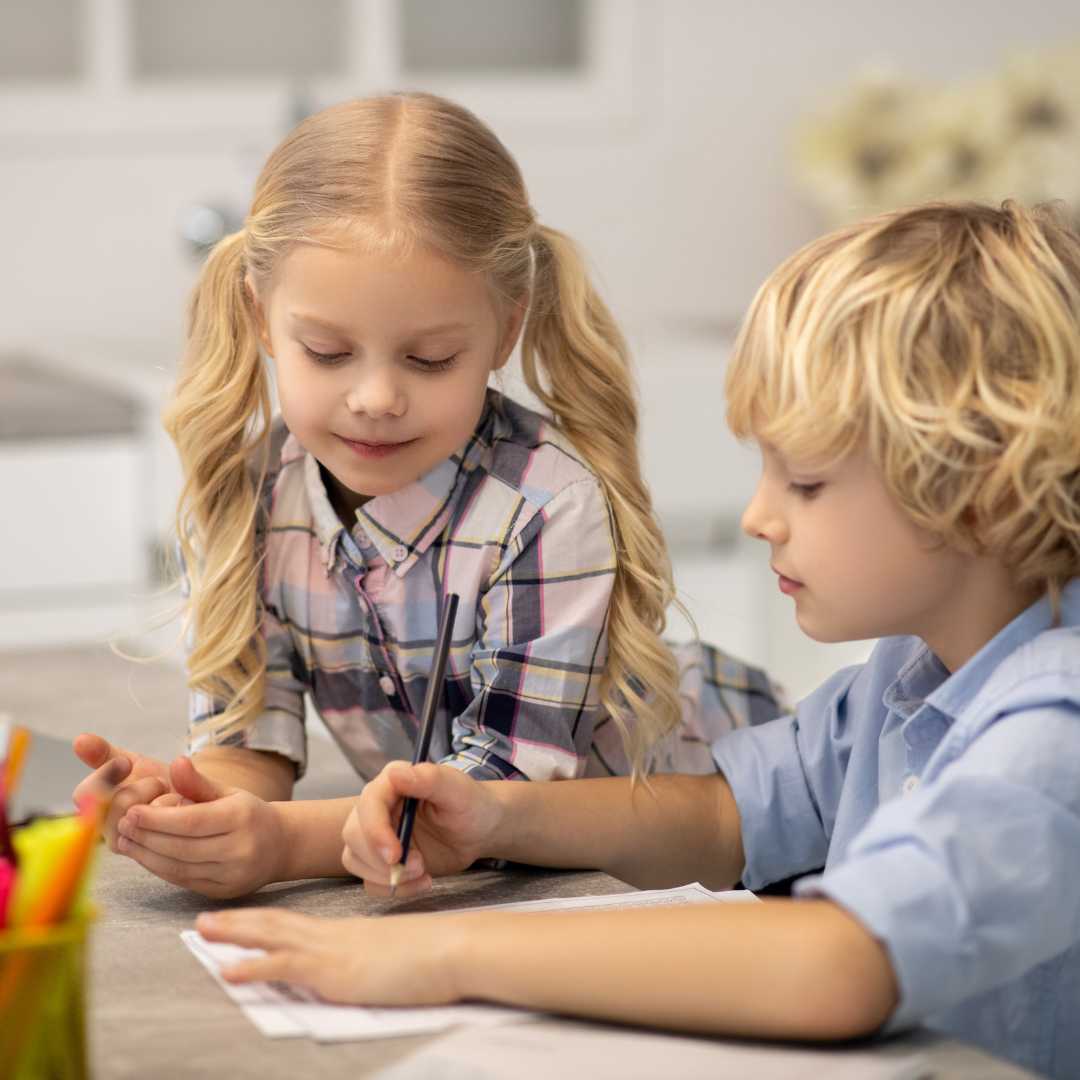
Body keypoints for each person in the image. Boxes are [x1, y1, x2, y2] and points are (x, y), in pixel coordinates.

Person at [198, 200, 1080, 1080]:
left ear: (987, 497)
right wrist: (497, 816)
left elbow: (840, 964)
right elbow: (724, 816)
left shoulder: (1057, 727)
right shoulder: (911, 673)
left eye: (806, 483)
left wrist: (446, 957)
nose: (758, 515)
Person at [72, 93, 779, 899]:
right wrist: (197, 809)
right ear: (261, 318)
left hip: (739, 807)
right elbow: (250, 748)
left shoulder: (546, 506)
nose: (376, 398)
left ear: (505, 330)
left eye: (432, 358)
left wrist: (282, 845)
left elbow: (500, 799)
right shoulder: (251, 495)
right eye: (327, 351)